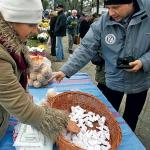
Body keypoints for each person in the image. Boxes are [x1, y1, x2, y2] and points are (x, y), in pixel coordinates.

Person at [54, 0, 150, 131]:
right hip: (113, 79)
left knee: (131, 117)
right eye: (108, 8)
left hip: (140, 81)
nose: (110, 13)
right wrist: (65, 70)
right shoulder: (104, 22)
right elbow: (86, 48)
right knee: (107, 116)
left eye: (115, 7)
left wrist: (144, 61)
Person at [0, 0, 78, 140]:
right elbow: (22, 108)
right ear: (11, 21)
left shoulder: (8, 40)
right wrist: (62, 121)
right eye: (31, 24)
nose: (35, 31)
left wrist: (21, 91)